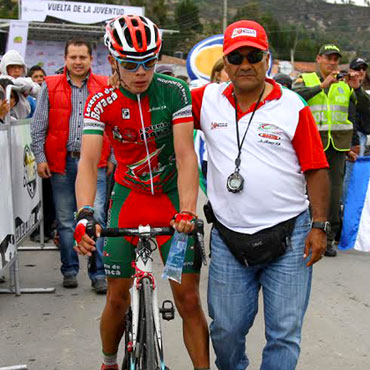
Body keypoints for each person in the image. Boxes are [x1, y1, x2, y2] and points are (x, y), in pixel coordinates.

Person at [192, 20, 330, 370]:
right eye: (236, 57)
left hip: (290, 235)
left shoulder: (292, 106)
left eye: (253, 55)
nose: (245, 64)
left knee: (284, 333)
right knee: (225, 330)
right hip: (228, 237)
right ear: (225, 63)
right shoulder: (206, 100)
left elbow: (316, 168)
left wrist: (319, 226)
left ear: (267, 58)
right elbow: (160, 101)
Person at [73, 15, 209, 370]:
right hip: (128, 200)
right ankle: (108, 362)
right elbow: (88, 163)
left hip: (170, 201)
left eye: (149, 62)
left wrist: (189, 211)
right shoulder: (100, 102)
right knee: (117, 299)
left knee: (189, 299)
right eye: (131, 64)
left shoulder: (173, 91)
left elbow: (184, 155)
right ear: (112, 60)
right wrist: (85, 213)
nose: (141, 72)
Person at [30, 39, 114, 293]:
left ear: (91, 59)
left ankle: (98, 272)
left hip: (96, 162)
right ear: (65, 59)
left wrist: (112, 159)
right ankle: (69, 269)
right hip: (62, 163)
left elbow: (113, 126)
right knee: (66, 221)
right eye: (73, 57)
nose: (78, 62)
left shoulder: (104, 85)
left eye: (83, 57)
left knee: (96, 217)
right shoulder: (50, 85)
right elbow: (38, 127)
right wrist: (41, 158)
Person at [293, 43, 360, 257]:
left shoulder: (345, 85)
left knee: (332, 194)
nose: (332, 63)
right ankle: (302, 233)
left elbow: (356, 115)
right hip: (310, 144)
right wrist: (322, 85)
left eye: (335, 59)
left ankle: (328, 238)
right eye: (328, 58)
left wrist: (357, 87)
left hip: (337, 146)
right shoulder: (306, 79)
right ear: (318, 59)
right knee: (304, 191)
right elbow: (295, 97)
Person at [0, 49, 40, 118]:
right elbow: (22, 83)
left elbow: (39, 91)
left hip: (20, 123)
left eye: (19, 67)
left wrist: (29, 87)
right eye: (12, 67)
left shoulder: (25, 81)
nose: (17, 70)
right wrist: (26, 86)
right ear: (5, 67)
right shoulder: (1, 82)